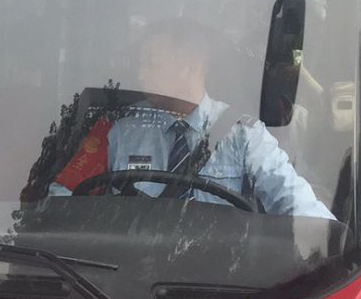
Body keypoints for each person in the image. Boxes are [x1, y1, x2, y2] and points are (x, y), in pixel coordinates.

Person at [49, 19, 334, 218]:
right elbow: (61, 200)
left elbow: (295, 202)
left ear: (190, 67)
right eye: (140, 64)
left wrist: (326, 248)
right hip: (126, 276)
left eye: (152, 64)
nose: (140, 75)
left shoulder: (243, 135)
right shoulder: (120, 131)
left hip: (218, 279)